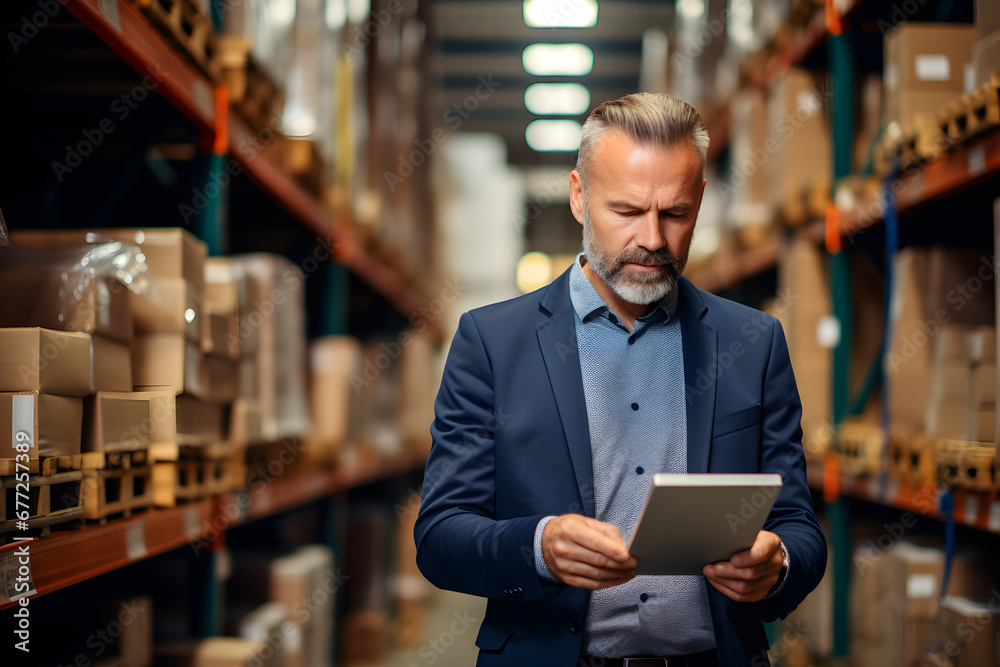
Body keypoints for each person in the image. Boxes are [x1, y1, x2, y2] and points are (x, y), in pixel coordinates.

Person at [414, 93, 827, 666]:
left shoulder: (752, 343)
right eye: (628, 212)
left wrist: (778, 563)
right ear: (579, 196)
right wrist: (539, 547)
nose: (654, 240)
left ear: (701, 200)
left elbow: (799, 526)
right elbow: (440, 537)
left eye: (675, 213)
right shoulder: (492, 344)